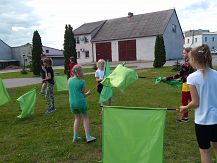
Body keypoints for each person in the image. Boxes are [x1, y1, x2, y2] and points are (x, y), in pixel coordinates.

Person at [180, 44, 217, 163]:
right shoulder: (216, 74)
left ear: (195, 60)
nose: (189, 61)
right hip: (216, 120)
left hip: (202, 122)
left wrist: (185, 107)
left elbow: (195, 102)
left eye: (189, 59)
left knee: (205, 151)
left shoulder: (192, 78)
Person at [164, 47, 194, 122]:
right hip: (192, 84)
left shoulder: (187, 63)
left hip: (187, 85)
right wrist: (181, 78)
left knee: (185, 101)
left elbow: (181, 74)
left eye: (184, 53)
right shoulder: (193, 61)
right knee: (193, 101)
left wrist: (169, 78)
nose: (183, 54)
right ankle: (200, 114)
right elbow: (186, 74)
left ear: (188, 53)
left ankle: (185, 118)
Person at [68, 65, 96, 143]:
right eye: (82, 71)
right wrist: (88, 93)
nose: (83, 72)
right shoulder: (82, 82)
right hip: (80, 102)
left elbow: (71, 91)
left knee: (77, 118)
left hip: (72, 103)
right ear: (79, 72)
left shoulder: (69, 80)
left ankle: (75, 137)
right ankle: (88, 136)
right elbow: (83, 95)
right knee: (85, 117)